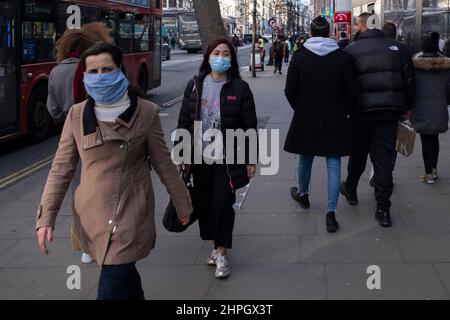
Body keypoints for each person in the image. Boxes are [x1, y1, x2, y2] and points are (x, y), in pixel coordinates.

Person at [36, 42, 193, 300]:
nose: (100, 77)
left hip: (131, 211)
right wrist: (46, 218)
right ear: (84, 76)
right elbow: (61, 169)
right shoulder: (76, 115)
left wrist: (182, 204)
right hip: (92, 213)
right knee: (124, 277)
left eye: (106, 69)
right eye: (93, 72)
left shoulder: (146, 112)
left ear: (119, 69)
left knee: (112, 284)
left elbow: (164, 163)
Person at [177, 37, 257, 278]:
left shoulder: (240, 88)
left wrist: (250, 159)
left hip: (226, 158)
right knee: (204, 205)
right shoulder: (194, 84)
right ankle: (214, 243)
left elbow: (249, 126)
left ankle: (222, 252)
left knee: (222, 204)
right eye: (216, 53)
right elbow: (184, 120)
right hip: (199, 158)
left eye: (225, 53)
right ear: (208, 57)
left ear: (231, 59)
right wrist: (181, 151)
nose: (220, 57)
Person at [340, 12, 416, 228]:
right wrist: (407, 108)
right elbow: (410, 81)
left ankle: (351, 189)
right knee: (383, 160)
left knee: (358, 154)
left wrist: (346, 109)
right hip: (388, 111)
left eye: (356, 24)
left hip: (360, 112)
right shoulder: (398, 49)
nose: (354, 27)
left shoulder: (351, 51)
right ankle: (383, 209)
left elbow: (346, 84)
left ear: (363, 26)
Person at [47, 23, 112, 265]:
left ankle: (86, 245)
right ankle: (104, 237)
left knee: (78, 192)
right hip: (100, 133)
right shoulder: (97, 68)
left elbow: (52, 110)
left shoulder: (56, 73)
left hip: (71, 137)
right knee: (103, 186)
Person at [285, 16, 356, 232]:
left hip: (306, 115)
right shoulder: (343, 58)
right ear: (330, 32)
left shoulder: (299, 57)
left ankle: (304, 195)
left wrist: (301, 107)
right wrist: (344, 111)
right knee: (333, 163)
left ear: (311, 32)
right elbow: (351, 92)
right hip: (334, 116)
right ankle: (331, 213)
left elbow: (289, 91)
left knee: (305, 157)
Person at [411, 36, 450, 184]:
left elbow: (412, 87)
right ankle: (433, 169)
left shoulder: (416, 65)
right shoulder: (445, 65)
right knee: (434, 138)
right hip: (439, 106)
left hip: (422, 107)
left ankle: (428, 174)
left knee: (425, 139)